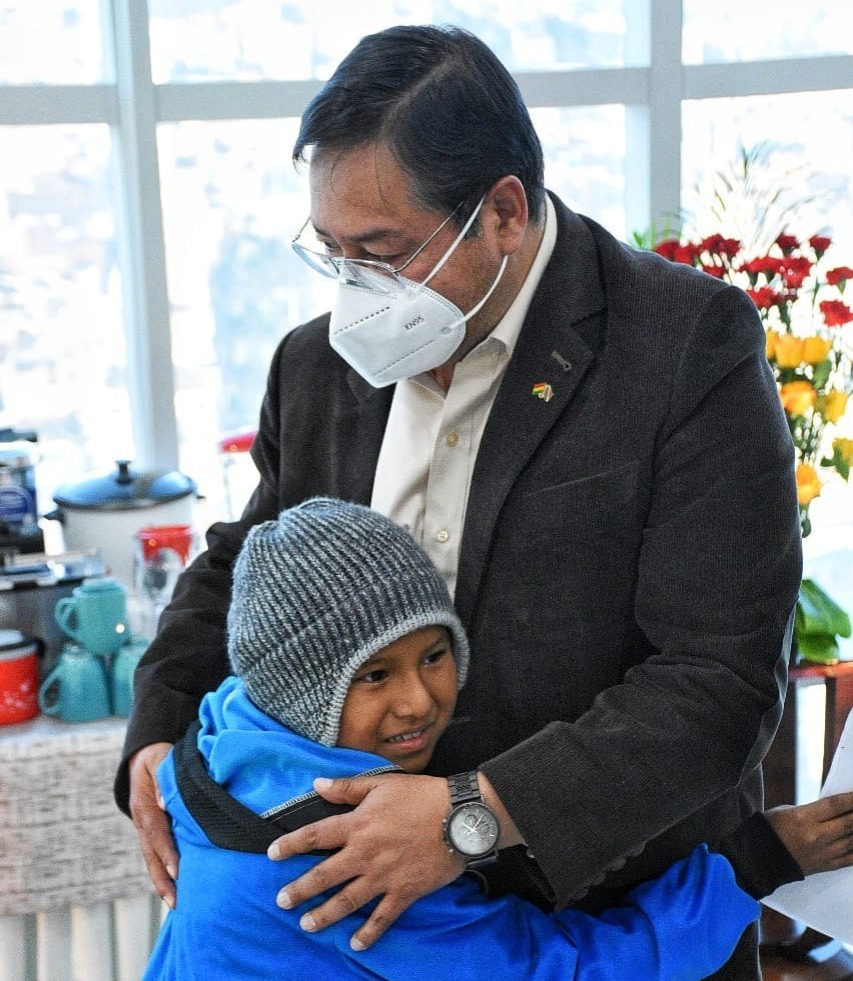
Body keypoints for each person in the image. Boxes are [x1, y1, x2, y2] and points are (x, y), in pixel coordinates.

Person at [117, 24, 803, 981]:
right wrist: (155, 729)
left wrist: (471, 815)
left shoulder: (685, 347)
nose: (356, 288)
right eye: (334, 252)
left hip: (614, 919)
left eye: (383, 251)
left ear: (504, 213)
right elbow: (247, 561)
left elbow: (719, 681)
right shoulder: (316, 363)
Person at [142, 498, 853, 981]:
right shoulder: (341, 859)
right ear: (297, 689)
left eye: (433, 654)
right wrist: (756, 860)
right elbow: (563, 972)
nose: (417, 699)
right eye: (374, 676)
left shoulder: (218, 749)